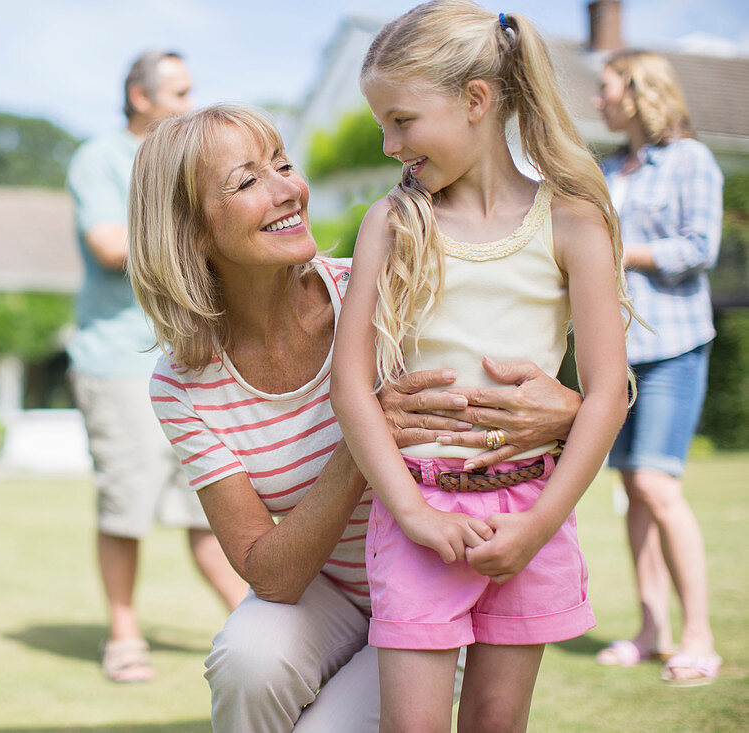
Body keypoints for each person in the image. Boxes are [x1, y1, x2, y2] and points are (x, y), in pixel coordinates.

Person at [128, 102, 582, 731]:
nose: (289, 190)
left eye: (283, 164)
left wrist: (569, 410)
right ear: (190, 232)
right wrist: (366, 433)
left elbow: (513, 388)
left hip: (436, 586)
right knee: (247, 661)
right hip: (330, 593)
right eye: (248, 180)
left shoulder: (384, 286)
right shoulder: (183, 386)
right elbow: (272, 574)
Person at [329, 2, 636, 730]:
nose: (387, 143)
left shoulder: (573, 222)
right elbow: (352, 386)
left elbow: (606, 394)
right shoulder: (392, 223)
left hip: (532, 514)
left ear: (475, 100)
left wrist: (540, 525)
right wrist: (411, 512)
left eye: (402, 120)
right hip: (420, 521)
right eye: (382, 124)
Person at [65, 49, 248, 683]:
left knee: (210, 503)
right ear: (141, 98)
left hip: (192, 354)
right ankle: (123, 636)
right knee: (127, 505)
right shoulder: (100, 159)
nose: (191, 105)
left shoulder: (186, 164)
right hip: (118, 361)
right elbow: (111, 245)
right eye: (179, 93)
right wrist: (199, 231)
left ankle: (256, 624)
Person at [592, 49, 723, 686]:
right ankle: (651, 630)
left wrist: (616, 249)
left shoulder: (691, 160)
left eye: (607, 88)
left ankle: (699, 636)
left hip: (674, 344)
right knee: (632, 493)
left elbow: (699, 248)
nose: (599, 100)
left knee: (655, 484)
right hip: (618, 355)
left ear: (640, 91)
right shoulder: (611, 167)